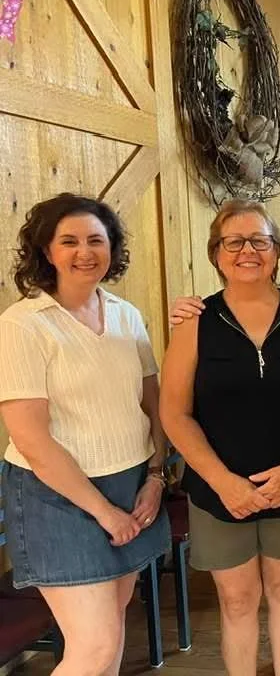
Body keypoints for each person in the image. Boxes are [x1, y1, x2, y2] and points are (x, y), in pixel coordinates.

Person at [159, 199, 280, 676]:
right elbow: (174, 414)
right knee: (238, 602)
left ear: (276, 251)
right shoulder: (194, 323)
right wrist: (222, 481)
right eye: (233, 241)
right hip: (218, 490)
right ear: (216, 254)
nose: (247, 250)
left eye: (259, 240)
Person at [0, 194, 171, 676]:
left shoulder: (125, 315)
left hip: (132, 484)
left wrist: (156, 476)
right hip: (58, 498)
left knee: (112, 627)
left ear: (113, 249)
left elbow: (152, 405)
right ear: (46, 252)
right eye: (69, 241)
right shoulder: (22, 325)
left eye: (97, 240)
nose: (85, 251)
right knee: (93, 648)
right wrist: (103, 512)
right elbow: (32, 439)